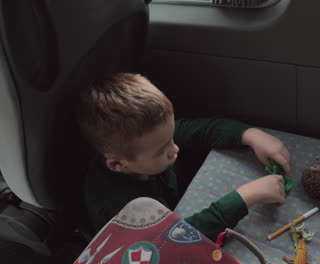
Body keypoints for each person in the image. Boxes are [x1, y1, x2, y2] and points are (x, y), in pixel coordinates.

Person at [76, 73, 291, 240]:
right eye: (163, 151)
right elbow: (172, 239)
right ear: (117, 164)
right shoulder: (119, 205)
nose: (175, 148)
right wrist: (245, 197)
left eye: (171, 138)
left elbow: (205, 130)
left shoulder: (150, 140)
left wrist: (251, 135)